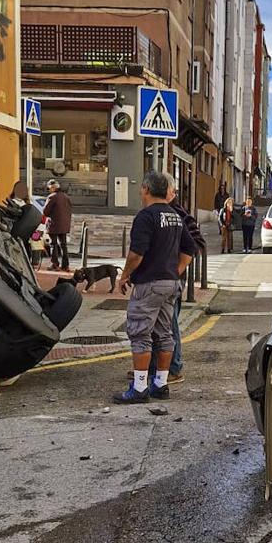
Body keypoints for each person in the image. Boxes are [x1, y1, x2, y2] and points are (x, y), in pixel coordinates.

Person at [113, 172, 196, 411]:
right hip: (171, 283)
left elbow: (137, 253)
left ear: (146, 189)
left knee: (140, 332)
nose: (140, 192)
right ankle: (160, 384)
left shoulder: (146, 216)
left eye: (141, 188)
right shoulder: (175, 216)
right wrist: (175, 270)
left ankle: (139, 388)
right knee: (164, 333)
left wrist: (125, 274)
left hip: (149, 283)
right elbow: (189, 248)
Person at [147, 189, 206, 387]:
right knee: (158, 325)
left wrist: (177, 268)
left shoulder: (178, 214)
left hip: (171, 279)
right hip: (160, 278)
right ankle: (155, 368)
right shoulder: (158, 212)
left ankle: (174, 368)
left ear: (172, 193)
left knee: (168, 324)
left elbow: (196, 243)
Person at [42, 179, 73, 272]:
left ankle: (55, 264)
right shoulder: (66, 197)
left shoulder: (52, 197)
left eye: (49, 188)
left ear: (53, 187)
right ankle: (65, 265)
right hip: (64, 225)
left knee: (53, 244)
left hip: (54, 225)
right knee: (64, 245)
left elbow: (45, 211)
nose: (49, 190)